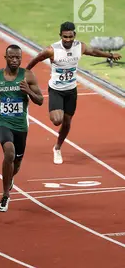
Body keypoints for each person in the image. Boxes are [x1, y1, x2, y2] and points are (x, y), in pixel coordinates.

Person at [26, 21, 122, 164]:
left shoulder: (80, 46)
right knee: (56, 120)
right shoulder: (52, 50)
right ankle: (56, 121)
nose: (68, 40)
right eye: (65, 37)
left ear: (74, 35)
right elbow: (36, 59)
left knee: (67, 122)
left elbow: (93, 52)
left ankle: (57, 148)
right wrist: (25, 71)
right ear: (61, 36)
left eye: (71, 37)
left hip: (71, 91)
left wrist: (109, 55)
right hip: (56, 90)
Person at [0, 44, 43, 212]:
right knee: (8, 152)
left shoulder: (28, 76)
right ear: (5, 58)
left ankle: (9, 178)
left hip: (21, 123)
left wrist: (28, 92)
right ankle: (5, 195)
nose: (15, 60)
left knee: (16, 163)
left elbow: (40, 100)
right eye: (12, 57)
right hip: (3, 120)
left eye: (18, 57)